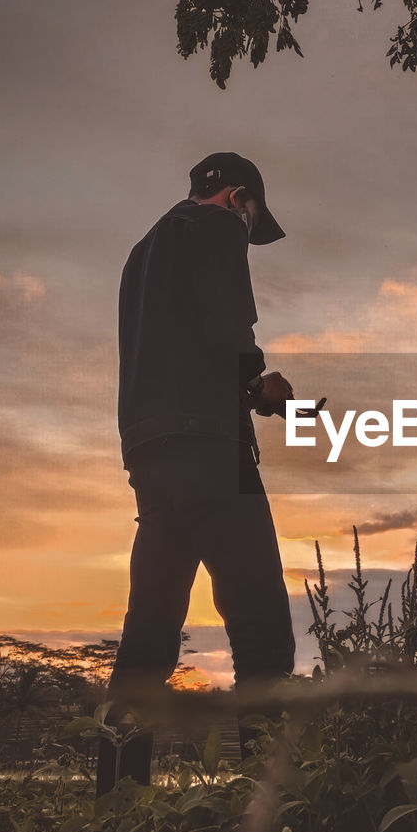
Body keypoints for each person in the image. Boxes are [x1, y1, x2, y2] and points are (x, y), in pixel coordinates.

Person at [95, 152, 296, 797]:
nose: (250, 230)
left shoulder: (141, 254)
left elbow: (176, 347)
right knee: (262, 625)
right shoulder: (215, 229)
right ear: (239, 197)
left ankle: (116, 806)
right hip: (211, 452)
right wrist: (258, 383)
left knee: (148, 638)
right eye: (253, 216)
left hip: (151, 454)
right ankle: (271, 805)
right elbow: (225, 324)